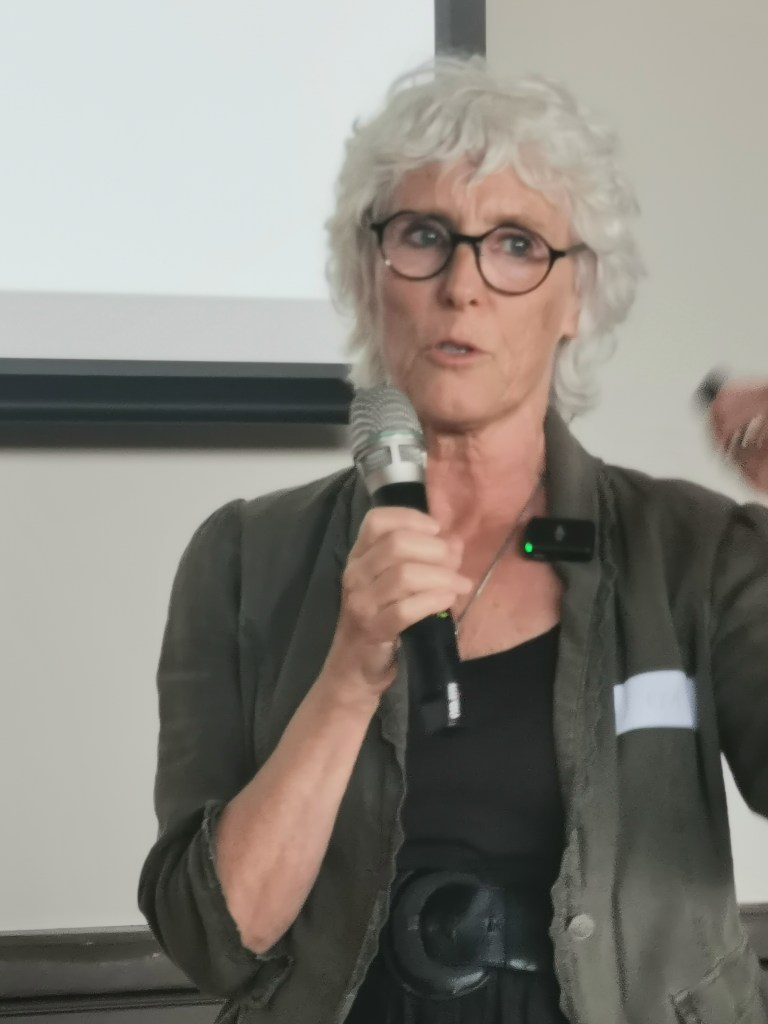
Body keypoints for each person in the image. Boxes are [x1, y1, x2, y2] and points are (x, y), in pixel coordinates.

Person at [138, 57, 768, 1024]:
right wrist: (349, 673)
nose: (462, 285)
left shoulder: (696, 551)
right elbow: (213, 940)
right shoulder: (243, 559)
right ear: (369, 274)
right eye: (424, 236)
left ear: (578, 297)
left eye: (516, 244)